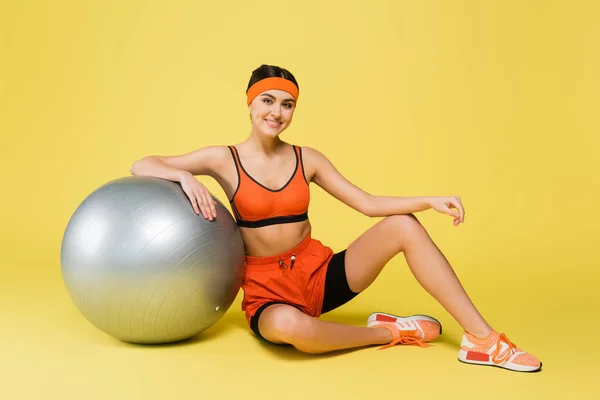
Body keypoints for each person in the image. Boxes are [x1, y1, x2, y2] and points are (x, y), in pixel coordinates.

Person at [130, 64, 541, 372]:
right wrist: (184, 175)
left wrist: (428, 200)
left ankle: (483, 340)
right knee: (296, 331)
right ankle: (392, 332)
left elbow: (366, 202)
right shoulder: (223, 158)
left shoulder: (307, 158)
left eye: (287, 104)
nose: (277, 112)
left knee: (403, 226)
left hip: (318, 275)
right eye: (268, 101)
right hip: (267, 292)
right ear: (250, 102)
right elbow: (142, 163)